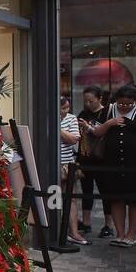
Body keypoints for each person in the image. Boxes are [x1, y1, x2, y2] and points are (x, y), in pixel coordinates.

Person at [90, 85, 136, 246]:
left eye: (128, 104)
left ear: (135, 101)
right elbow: (96, 132)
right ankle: (120, 233)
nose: (124, 107)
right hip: (112, 162)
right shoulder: (109, 110)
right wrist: (110, 123)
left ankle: (131, 235)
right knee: (116, 198)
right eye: (121, 104)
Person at [77, 87, 111, 237]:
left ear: (100, 99)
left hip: (102, 159)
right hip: (85, 156)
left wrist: (88, 127)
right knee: (86, 190)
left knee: (105, 191)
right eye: (85, 101)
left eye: (91, 100)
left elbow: (104, 132)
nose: (88, 103)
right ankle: (86, 223)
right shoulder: (83, 114)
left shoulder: (107, 113)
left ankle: (108, 224)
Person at [58, 97, 87, 245]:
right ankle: (55, 230)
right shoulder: (45, 116)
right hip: (49, 164)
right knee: (53, 197)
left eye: (67, 108)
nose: (65, 111)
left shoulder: (71, 119)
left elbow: (73, 139)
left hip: (66, 164)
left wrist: (58, 128)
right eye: (62, 108)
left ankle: (73, 232)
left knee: (71, 198)